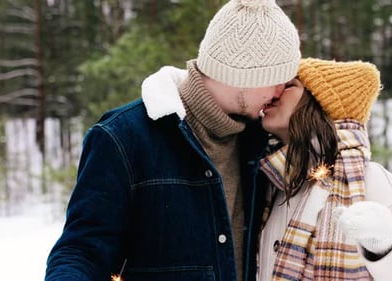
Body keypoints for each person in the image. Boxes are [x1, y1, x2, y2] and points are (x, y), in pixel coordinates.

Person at [45, 1, 300, 281]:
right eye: (276, 79)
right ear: (242, 73)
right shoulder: (123, 138)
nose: (281, 91)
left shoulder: (264, 142)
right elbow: (82, 251)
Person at [257, 58, 392, 280]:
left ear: (320, 103)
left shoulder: (370, 179)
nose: (275, 92)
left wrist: (385, 246)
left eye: (289, 86)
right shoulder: (274, 179)